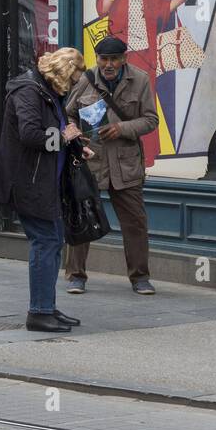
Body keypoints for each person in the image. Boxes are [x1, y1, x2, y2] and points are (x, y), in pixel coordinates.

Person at [0, 46, 94, 333]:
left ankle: (46, 306)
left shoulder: (47, 91)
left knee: (53, 241)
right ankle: (39, 312)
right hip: (28, 182)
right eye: (74, 79)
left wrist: (76, 145)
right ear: (63, 72)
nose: (75, 85)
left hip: (45, 181)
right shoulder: (28, 90)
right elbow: (31, 134)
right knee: (45, 242)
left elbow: (57, 131)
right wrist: (64, 138)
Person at [64, 35, 159, 296]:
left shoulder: (140, 79)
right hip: (91, 161)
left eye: (114, 59)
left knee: (136, 223)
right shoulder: (86, 79)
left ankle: (140, 277)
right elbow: (68, 114)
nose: (109, 64)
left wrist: (122, 128)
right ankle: (75, 276)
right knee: (81, 217)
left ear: (123, 59)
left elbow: (151, 120)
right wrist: (74, 133)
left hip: (126, 164)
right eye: (104, 59)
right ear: (97, 59)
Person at [95, 0, 187, 167]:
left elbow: (159, 9)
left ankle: (145, 160)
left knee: (145, 108)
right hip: (122, 52)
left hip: (146, 52)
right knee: (122, 106)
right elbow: (102, 7)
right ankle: (123, 161)